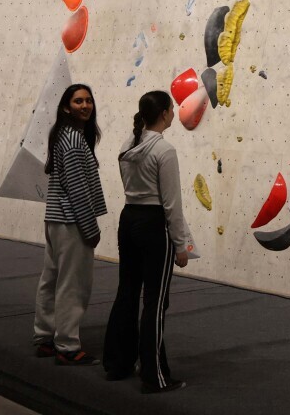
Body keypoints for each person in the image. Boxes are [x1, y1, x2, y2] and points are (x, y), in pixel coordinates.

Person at [103, 90, 192, 394]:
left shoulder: (128, 144)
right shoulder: (164, 150)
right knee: (155, 301)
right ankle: (154, 376)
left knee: (127, 292)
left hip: (128, 220)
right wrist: (181, 245)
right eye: (172, 109)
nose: (173, 113)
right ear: (165, 113)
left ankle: (118, 364)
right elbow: (172, 204)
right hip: (153, 225)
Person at [32, 83, 107, 365]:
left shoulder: (64, 135)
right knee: (72, 285)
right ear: (66, 107)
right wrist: (91, 228)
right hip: (71, 221)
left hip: (56, 219)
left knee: (51, 281)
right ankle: (67, 346)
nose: (85, 105)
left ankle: (45, 338)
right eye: (78, 101)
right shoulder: (74, 140)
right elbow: (77, 189)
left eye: (88, 100)